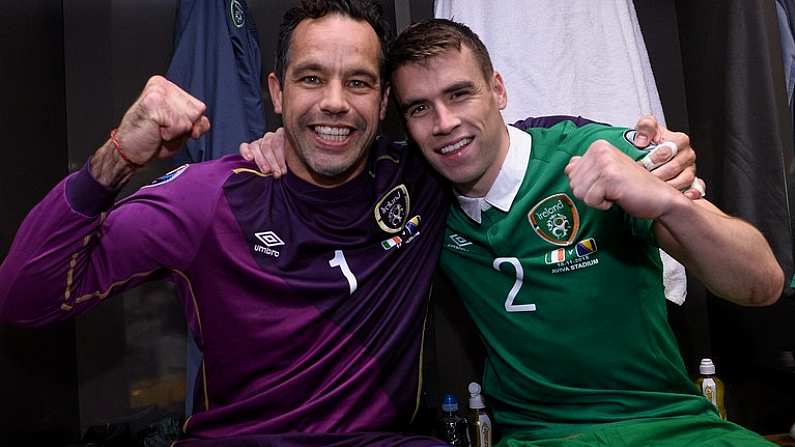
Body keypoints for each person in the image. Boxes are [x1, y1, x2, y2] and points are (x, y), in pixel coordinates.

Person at [0, 2, 691, 446]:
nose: (335, 103)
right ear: (275, 92)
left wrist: (639, 150)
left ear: (387, 101)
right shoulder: (208, 199)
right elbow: (23, 295)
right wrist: (118, 155)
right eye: (310, 79)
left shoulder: (419, 175)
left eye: (357, 82)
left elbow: (511, 138)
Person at [245, 16, 783, 447]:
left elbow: (761, 284)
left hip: (669, 424)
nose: (444, 123)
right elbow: (330, 160)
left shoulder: (594, 156)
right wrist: (281, 148)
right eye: (419, 109)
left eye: (460, 95)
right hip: (537, 436)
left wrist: (669, 202)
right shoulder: (418, 195)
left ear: (498, 90)